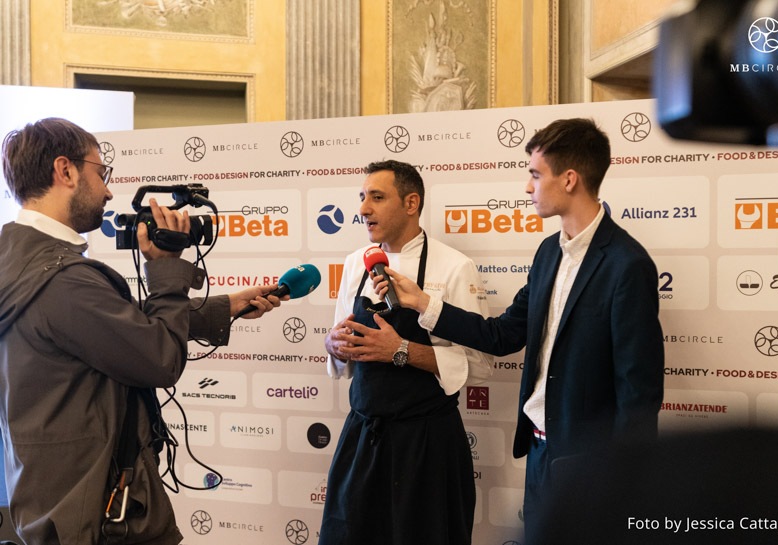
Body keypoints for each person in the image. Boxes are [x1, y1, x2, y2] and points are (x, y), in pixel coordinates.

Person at [0, 117, 285, 545]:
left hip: (57, 500)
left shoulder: (22, 262)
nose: (108, 191)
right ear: (65, 170)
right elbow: (158, 359)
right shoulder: (63, 280)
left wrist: (224, 307)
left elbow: (114, 329)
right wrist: (166, 268)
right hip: (100, 515)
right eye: (102, 173)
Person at [378, 118, 665, 544]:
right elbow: (502, 335)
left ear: (569, 179)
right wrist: (423, 303)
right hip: (539, 452)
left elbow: (638, 393)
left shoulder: (627, 265)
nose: (527, 187)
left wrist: (625, 481)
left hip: (593, 464)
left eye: (535, 174)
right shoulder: (549, 252)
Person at [320, 159, 492, 545]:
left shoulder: (455, 267)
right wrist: (334, 346)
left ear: (411, 203)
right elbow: (340, 348)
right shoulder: (355, 264)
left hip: (428, 445)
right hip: (363, 439)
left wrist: (400, 350)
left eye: (377, 197)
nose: (363, 208)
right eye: (362, 197)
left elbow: (480, 366)